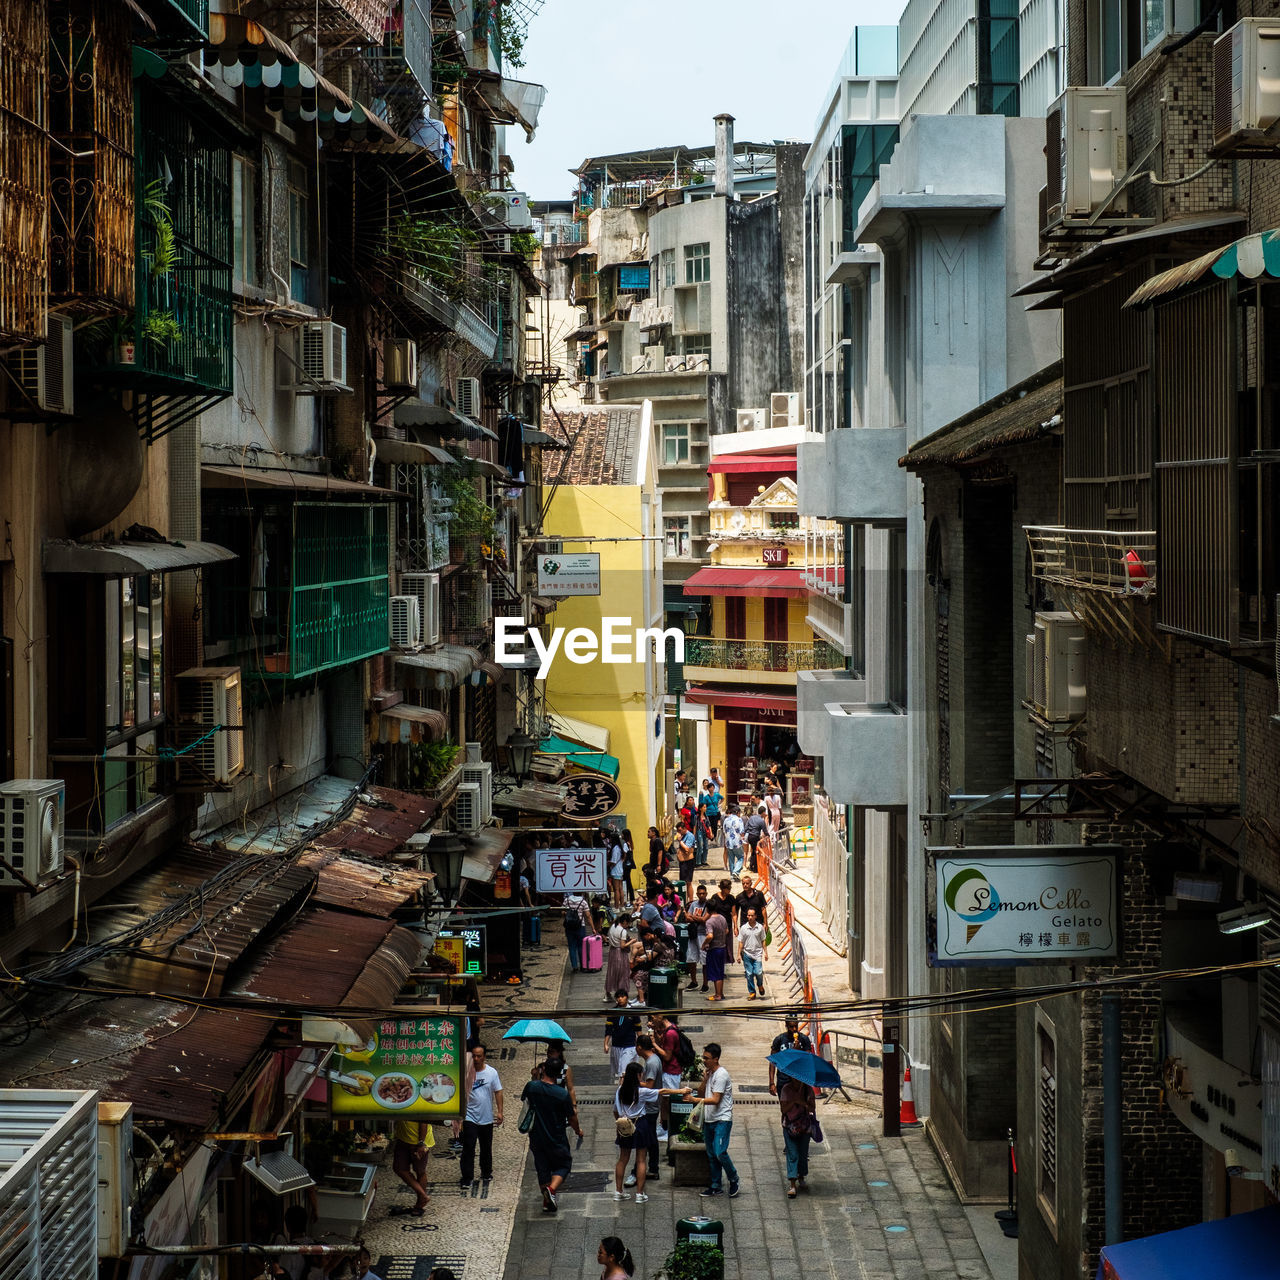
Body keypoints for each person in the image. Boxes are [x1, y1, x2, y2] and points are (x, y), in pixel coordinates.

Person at [612, 1059, 689, 1202]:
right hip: (640, 1125)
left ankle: (618, 1191)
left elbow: (615, 1111)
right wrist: (681, 1091)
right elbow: (662, 1091)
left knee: (622, 1159)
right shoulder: (641, 1091)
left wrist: (619, 1124)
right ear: (637, 1076)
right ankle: (640, 1194)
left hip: (624, 1126)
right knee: (641, 1160)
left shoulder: (620, 1091)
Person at [521, 1057, 582, 1213]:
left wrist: (535, 1077)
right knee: (564, 1164)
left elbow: (526, 1100)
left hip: (536, 1136)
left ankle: (547, 1201)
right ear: (558, 1074)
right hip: (556, 1136)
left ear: (544, 1069)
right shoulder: (561, 1094)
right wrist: (577, 1130)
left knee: (542, 1168)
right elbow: (572, 1117)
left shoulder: (531, 1087)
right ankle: (552, 1189)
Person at [690, 1043, 739, 1199]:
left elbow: (716, 1099)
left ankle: (733, 1178)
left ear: (716, 1059)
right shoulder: (711, 1074)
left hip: (721, 1119)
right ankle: (715, 1185)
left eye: (707, 1058)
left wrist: (694, 1099)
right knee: (711, 1154)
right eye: (703, 1057)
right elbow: (701, 1090)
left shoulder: (721, 1075)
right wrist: (705, 1080)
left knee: (719, 1152)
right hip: (710, 1119)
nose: (704, 1060)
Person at [459, 1042, 502, 1187]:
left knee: (486, 1147)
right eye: (474, 1056)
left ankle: (486, 1171)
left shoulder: (491, 1073)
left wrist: (500, 1111)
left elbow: (498, 1091)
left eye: (479, 1056)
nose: (476, 1059)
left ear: (484, 1057)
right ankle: (467, 1176)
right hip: (469, 1115)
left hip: (486, 1117)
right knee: (469, 1146)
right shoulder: (465, 1072)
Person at [625, 1034, 663, 1187]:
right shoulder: (652, 1060)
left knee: (643, 1141)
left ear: (640, 1047)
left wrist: (632, 1082)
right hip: (651, 1105)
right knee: (652, 1139)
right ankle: (653, 1168)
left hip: (650, 1107)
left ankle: (636, 1172)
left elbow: (649, 1086)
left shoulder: (652, 1063)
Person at [779, 1075, 817, 1197]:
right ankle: (792, 1184)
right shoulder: (786, 1089)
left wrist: (803, 1103)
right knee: (792, 1154)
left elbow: (812, 1107)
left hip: (804, 1127)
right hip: (789, 1126)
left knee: (803, 1154)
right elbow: (783, 1109)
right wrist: (794, 1101)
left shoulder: (808, 1089)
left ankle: (801, 1175)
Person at [390, 1117, 432, 1215]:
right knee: (399, 1168)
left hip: (418, 1141)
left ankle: (419, 1205)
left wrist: (421, 1143)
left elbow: (423, 1121)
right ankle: (423, 1196)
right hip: (403, 1138)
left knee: (420, 1171)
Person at [769, 1016, 815, 1094]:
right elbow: (773, 1062)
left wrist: (799, 1050)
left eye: (795, 1026)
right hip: (783, 1080)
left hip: (799, 1080)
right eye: (791, 1027)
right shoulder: (779, 1040)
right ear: (786, 1026)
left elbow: (807, 1061)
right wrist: (771, 1083)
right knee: (785, 1104)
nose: (794, 1029)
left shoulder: (804, 1039)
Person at [681, 883, 710, 992]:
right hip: (693, 934)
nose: (702, 895)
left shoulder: (708, 905)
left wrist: (693, 917)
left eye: (703, 893)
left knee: (704, 960)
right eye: (700, 894)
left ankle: (705, 983)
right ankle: (694, 981)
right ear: (697, 894)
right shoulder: (693, 904)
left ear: (706, 894)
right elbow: (687, 918)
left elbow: (704, 920)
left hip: (703, 935)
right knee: (690, 958)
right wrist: (697, 918)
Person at [604, 990, 640, 1080]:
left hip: (630, 1045)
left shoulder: (633, 1012)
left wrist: (641, 1042)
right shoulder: (613, 1012)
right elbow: (608, 1029)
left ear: (627, 998)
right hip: (616, 1044)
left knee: (623, 1071)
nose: (620, 999)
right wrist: (606, 1043)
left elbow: (638, 1029)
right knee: (619, 1069)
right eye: (618, 997)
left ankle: (622, 1091)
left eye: (622, 997)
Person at [700, 901, 730, 1001]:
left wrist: (704, 944)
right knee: (720, 972)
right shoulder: (722, 918)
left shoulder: (709, 921)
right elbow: (726, 931)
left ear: (707, 909)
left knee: (715, 973)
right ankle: (721, 993)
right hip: (722, 948)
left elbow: (710, 935)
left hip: (714, 949)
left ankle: (717, 994)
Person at [563, 889, 597, 974]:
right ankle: (583, 965)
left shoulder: (566, 900)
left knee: (571, 946)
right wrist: (593, 928)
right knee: (581, 946)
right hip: (580, 926)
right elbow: (588, 916)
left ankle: (574, 966)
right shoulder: (583, 902)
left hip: (569, 927)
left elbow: (562, 912)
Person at [738, 907, 768, 999]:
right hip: (747, 953)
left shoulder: (760, 928)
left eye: (752, 915)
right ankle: (752, 992)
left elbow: (763, 940)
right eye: (749, 915)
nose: (750, 917)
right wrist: (738, 954)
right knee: (749, 973)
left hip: (757, 953)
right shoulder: (743, 928)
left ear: (755, 916)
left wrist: (766, 952)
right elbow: (741, 942)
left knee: (758, 972)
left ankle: (760, 985)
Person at [605, 911, 633, 1002]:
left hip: (612, 951)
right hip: (620, 953)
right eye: (628, 923)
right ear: (625, 921)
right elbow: (623, 946)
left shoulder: (613, 926)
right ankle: (620, 996)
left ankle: (608, 993)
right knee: (622, 974)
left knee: (612, 973)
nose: (628, 925)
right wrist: (632, 941)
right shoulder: (622, 931)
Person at [721, 803, 746, 879]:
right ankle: (736, 871)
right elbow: (742, 831)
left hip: (728, 842)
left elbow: (724, 830)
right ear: (738, 813)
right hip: (737, 842)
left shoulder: (726, 819)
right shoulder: (739, 820)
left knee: (731, 859)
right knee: (741, 857)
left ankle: (732, 875)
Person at [606, 825, 628, 908]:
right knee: (620, 888)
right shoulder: (619, 847)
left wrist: (607, 863)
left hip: (616, 871)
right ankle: (622, 906)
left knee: (616, 890)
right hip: (620, 870)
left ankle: (616, 906)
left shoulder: (615, 848)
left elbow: (614, 861)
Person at [745, 804, 769, 873]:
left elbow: (746, 827)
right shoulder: (761, 821)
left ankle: (752, 865)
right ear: (763, 812)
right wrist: (768, 836)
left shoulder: (751, 818)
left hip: (750, 836)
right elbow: (765, 831)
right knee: (756, 852)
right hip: (755, 837)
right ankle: (755, 867)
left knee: (754, 851)